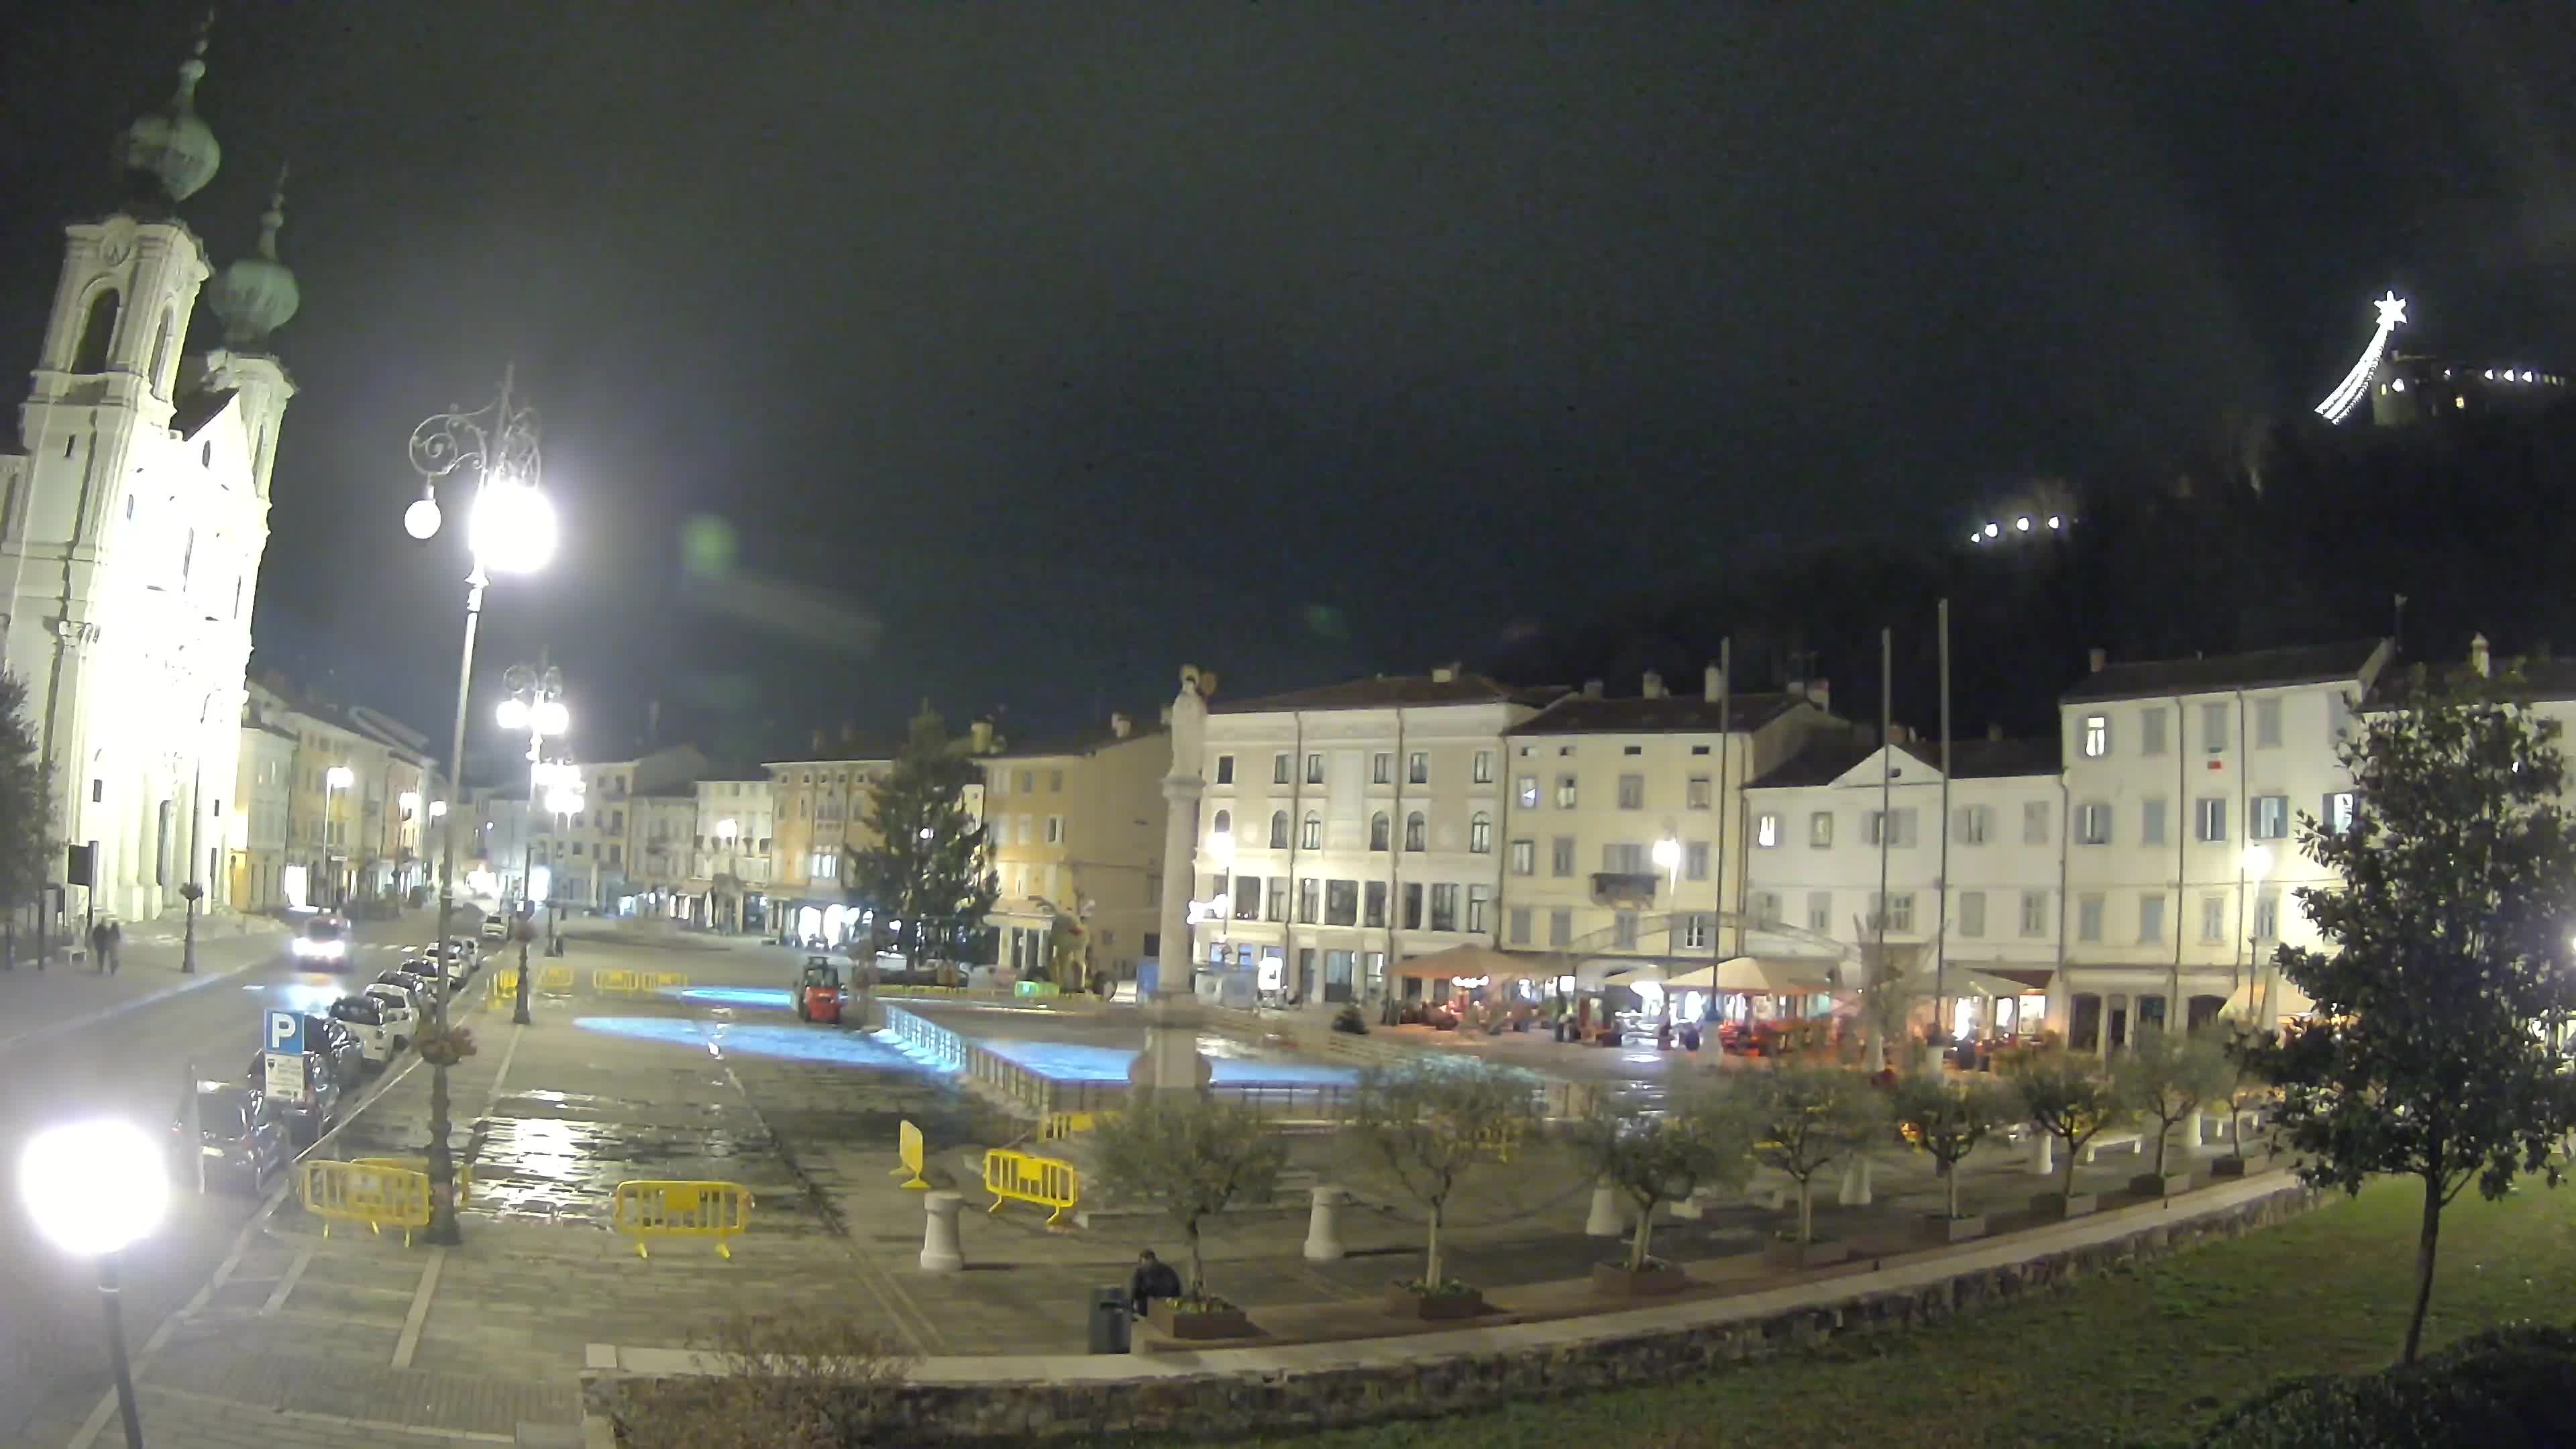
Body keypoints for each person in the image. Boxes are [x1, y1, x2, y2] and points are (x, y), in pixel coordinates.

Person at [1128, 1248, 1183, 1318]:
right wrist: (1177, 1307)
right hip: (1170, 1306)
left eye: (1141, 1261)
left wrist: (1130, 1308)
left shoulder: (1141, 1270)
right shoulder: (1169, 1269)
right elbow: (1178, 1288)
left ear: (1144, 1259)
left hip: (1151, 1308)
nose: (1141, 1264)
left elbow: (1135, 1290)